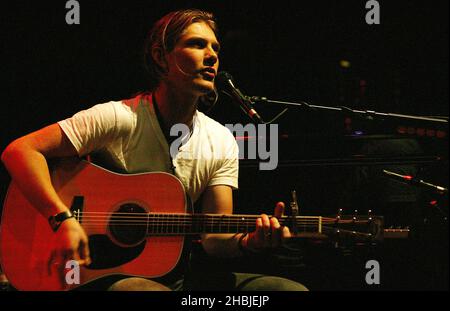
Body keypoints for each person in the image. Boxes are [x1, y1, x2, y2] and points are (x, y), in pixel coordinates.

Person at [1, 9, 307, 291]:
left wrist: (250, 242)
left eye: (215, 48)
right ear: (161, 57)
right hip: (96, 273)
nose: (212, 55)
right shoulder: (119, 117)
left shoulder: (221, 140)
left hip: (172, 279)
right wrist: (63, 219)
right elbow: (20, 151)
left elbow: (214, 239)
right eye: (198, 44)